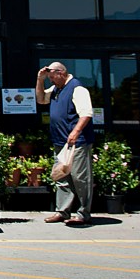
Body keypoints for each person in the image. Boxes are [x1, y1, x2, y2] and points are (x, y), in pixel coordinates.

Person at [36, 61, 94, 226]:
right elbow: (41, 100)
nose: (51, 81)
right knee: (62, 176)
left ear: (61, 73)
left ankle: (83, 213)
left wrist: (75, 132)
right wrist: (40, 80)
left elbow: (86, 113)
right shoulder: (56, 89)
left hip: (77, 142)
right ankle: (62, 211)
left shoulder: (77, 89)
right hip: (60, 141)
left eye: (52, 78)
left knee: (80, 177)